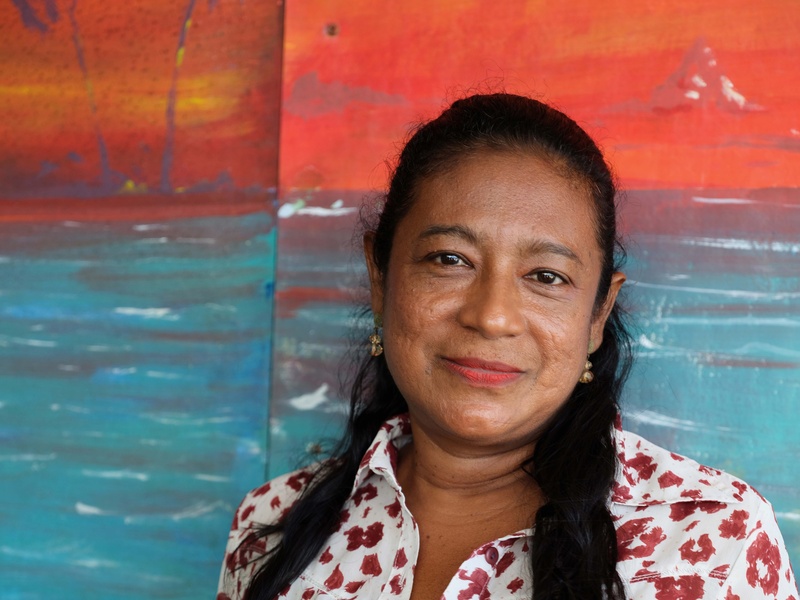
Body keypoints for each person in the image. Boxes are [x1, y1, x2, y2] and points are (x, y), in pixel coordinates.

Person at [218, 93, 798, 600]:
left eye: (546, 276)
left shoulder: (714, 538)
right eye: (450, 259)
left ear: (597, 314)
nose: (492, 317)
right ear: (380, 278)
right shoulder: (271, 526)